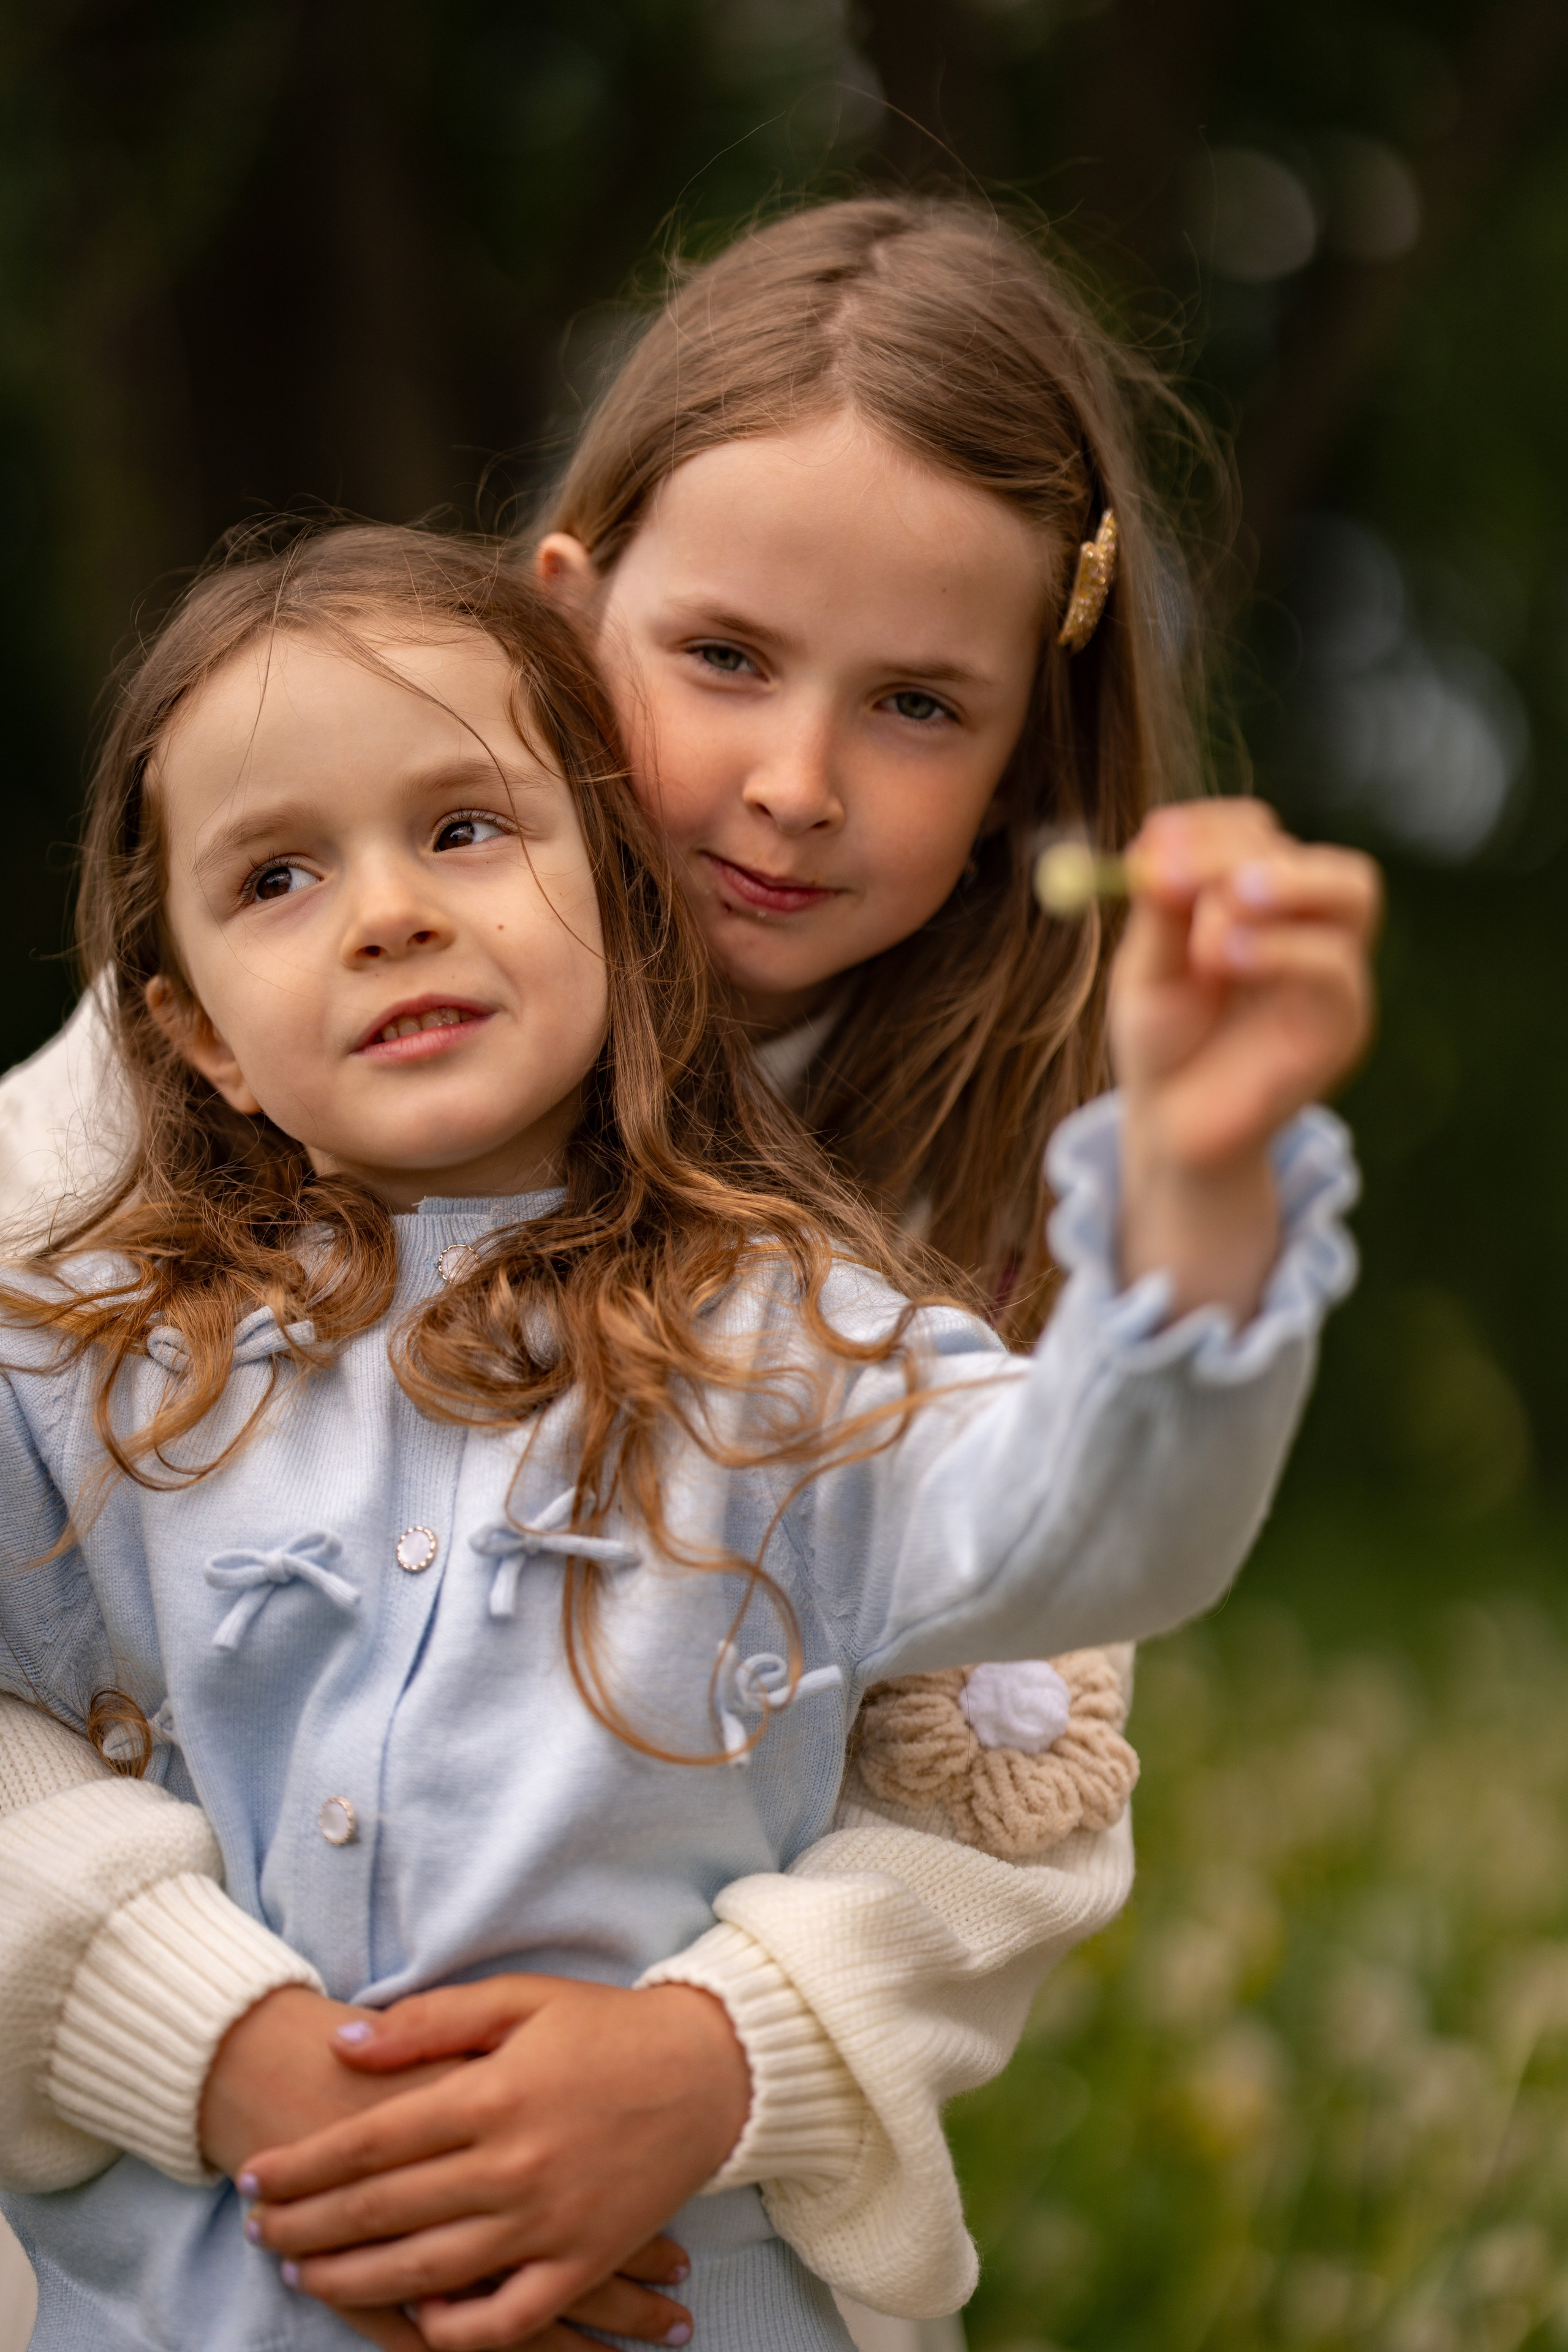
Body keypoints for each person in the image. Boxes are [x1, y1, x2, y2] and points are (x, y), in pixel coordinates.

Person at [0, 200, 1379, 2351]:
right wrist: (250, 2064)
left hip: (678, 2246)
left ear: (1026, 755)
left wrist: (709, 2065)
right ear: (571, 615)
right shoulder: (199, 1075)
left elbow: (1001, 1781)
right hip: (176, 2229)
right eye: (722, 658)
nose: (792, 784)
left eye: (916, 703)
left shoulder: (941, 1239)